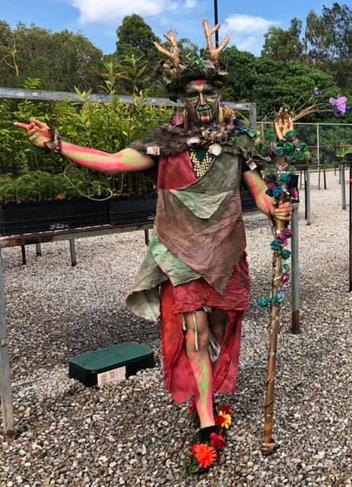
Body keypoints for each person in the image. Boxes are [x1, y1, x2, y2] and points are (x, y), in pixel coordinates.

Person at [14, 22, 291, 471]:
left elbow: (258, 191)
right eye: (192, 94)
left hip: (225, 254)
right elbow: (110, 162)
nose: (201, 101)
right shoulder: (164, 142)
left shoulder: (239, 142)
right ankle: (205, 418)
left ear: (220, 97)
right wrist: (57, 143)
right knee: (195, 333)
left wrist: (274, 205)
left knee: (220, 327)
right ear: (181, 100)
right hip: (178, 255)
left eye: (208, 93)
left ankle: (209, 387)